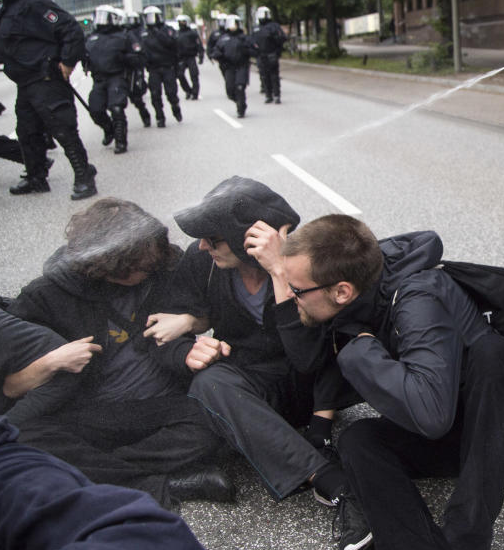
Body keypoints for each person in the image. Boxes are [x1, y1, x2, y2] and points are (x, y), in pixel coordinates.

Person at [282, 215, 504, 550]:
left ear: (342, 292)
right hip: (449, 421)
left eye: (295, 289)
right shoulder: (355, 290)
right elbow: (306, 361)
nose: (291, 296)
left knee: (490, 353)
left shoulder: (416, 299)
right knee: (357, 440)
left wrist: (359, 352)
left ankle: (466, 538)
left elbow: (431, 415)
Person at [143, 176, 360, 513]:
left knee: (212, 416)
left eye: (214, 240)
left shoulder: (303, 263)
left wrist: (278, 273)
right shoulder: (204, 263)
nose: (203, 247)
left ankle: (296, 443)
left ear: (249, 239)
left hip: (312, 387)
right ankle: (325, 476)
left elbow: (310, 360)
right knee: (209, 383)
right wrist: (186, 351)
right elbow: (162, 332)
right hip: (252, 384)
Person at [5, 197, 234, 509]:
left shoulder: (165, 265)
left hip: (161, 404)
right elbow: (9, 383)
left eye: (155, 260)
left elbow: (213, 309)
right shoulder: (46, 296)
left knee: (220, 418)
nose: (153, 268)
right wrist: (49, 362)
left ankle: (87, 472)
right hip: (91, 411)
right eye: (143, 266)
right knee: (22, 435)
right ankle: (159, 484)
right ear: (108, 267)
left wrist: (190, 321)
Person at [0, 415, 207, 550]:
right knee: (36, 438)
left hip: (127, 406)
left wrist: (181, 349)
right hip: (57, 418)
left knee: (203, 414)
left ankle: (101, 468)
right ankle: (156, 484)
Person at [0, 0, 97, 200]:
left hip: (45, 78)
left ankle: (84, 176)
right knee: (27, 131)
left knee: (63, 129)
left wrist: (68, 62)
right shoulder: (9, 8)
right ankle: (36, 177)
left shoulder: (37, 3)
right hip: (26, 81)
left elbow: (70, 29)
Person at [84, 5, 143, 154]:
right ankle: (108, 129)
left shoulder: (124, 36)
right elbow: (82, 54)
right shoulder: (91, 38)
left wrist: (125, 58)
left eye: (105, 16)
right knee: (95, 109)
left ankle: (120, 141)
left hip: (117, 77)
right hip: (98, 79)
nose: (101, 20)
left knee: (116, 108)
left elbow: (140, 58)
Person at [140, 5, 182, 127]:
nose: (149, 20)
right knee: (155, 94)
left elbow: (173, 44)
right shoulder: (144, 33)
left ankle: (175, 108)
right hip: (153, 69)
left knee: (171, 93)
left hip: (168, 67)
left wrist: (158, 33)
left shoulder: (167, 30)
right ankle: (160, 117)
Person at [211, 14, 253, 117]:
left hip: (241, 65)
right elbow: (216, 51)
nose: (233, 26)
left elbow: (254, 49)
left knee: (240, 86)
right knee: (230, 90)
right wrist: (218, 56)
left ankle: (241, 108)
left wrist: (246, 51)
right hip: (229, 67)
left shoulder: (244, 38)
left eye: (235, 24)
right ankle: (239, 101)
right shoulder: (223, 38)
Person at [251, 6, 286, 104]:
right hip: (261, 55)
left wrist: (277, 50)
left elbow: (281, 38)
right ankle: (268, 94)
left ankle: (276, 94)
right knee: (264, 76)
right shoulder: (256, 28)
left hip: (271, 54)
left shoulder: (273, 26)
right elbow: (251, 40)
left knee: (274, 76)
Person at [125, 10, 153, 127]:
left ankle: (144, 113)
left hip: (132, 67)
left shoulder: (139, 32)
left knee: (136, 95)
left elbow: (139, 49)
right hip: (114, 71)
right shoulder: (123, 33)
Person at [175, 14, 204, 100]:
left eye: (183, 22)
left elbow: (199, 45)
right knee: (180, 75)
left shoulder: (193, 33)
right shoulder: (177, 34)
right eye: (180, 22)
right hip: (181, 58)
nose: (181, 23)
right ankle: (188, 90)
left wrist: (201, 55)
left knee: (194, 75)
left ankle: (195, 93)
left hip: (191, 56)